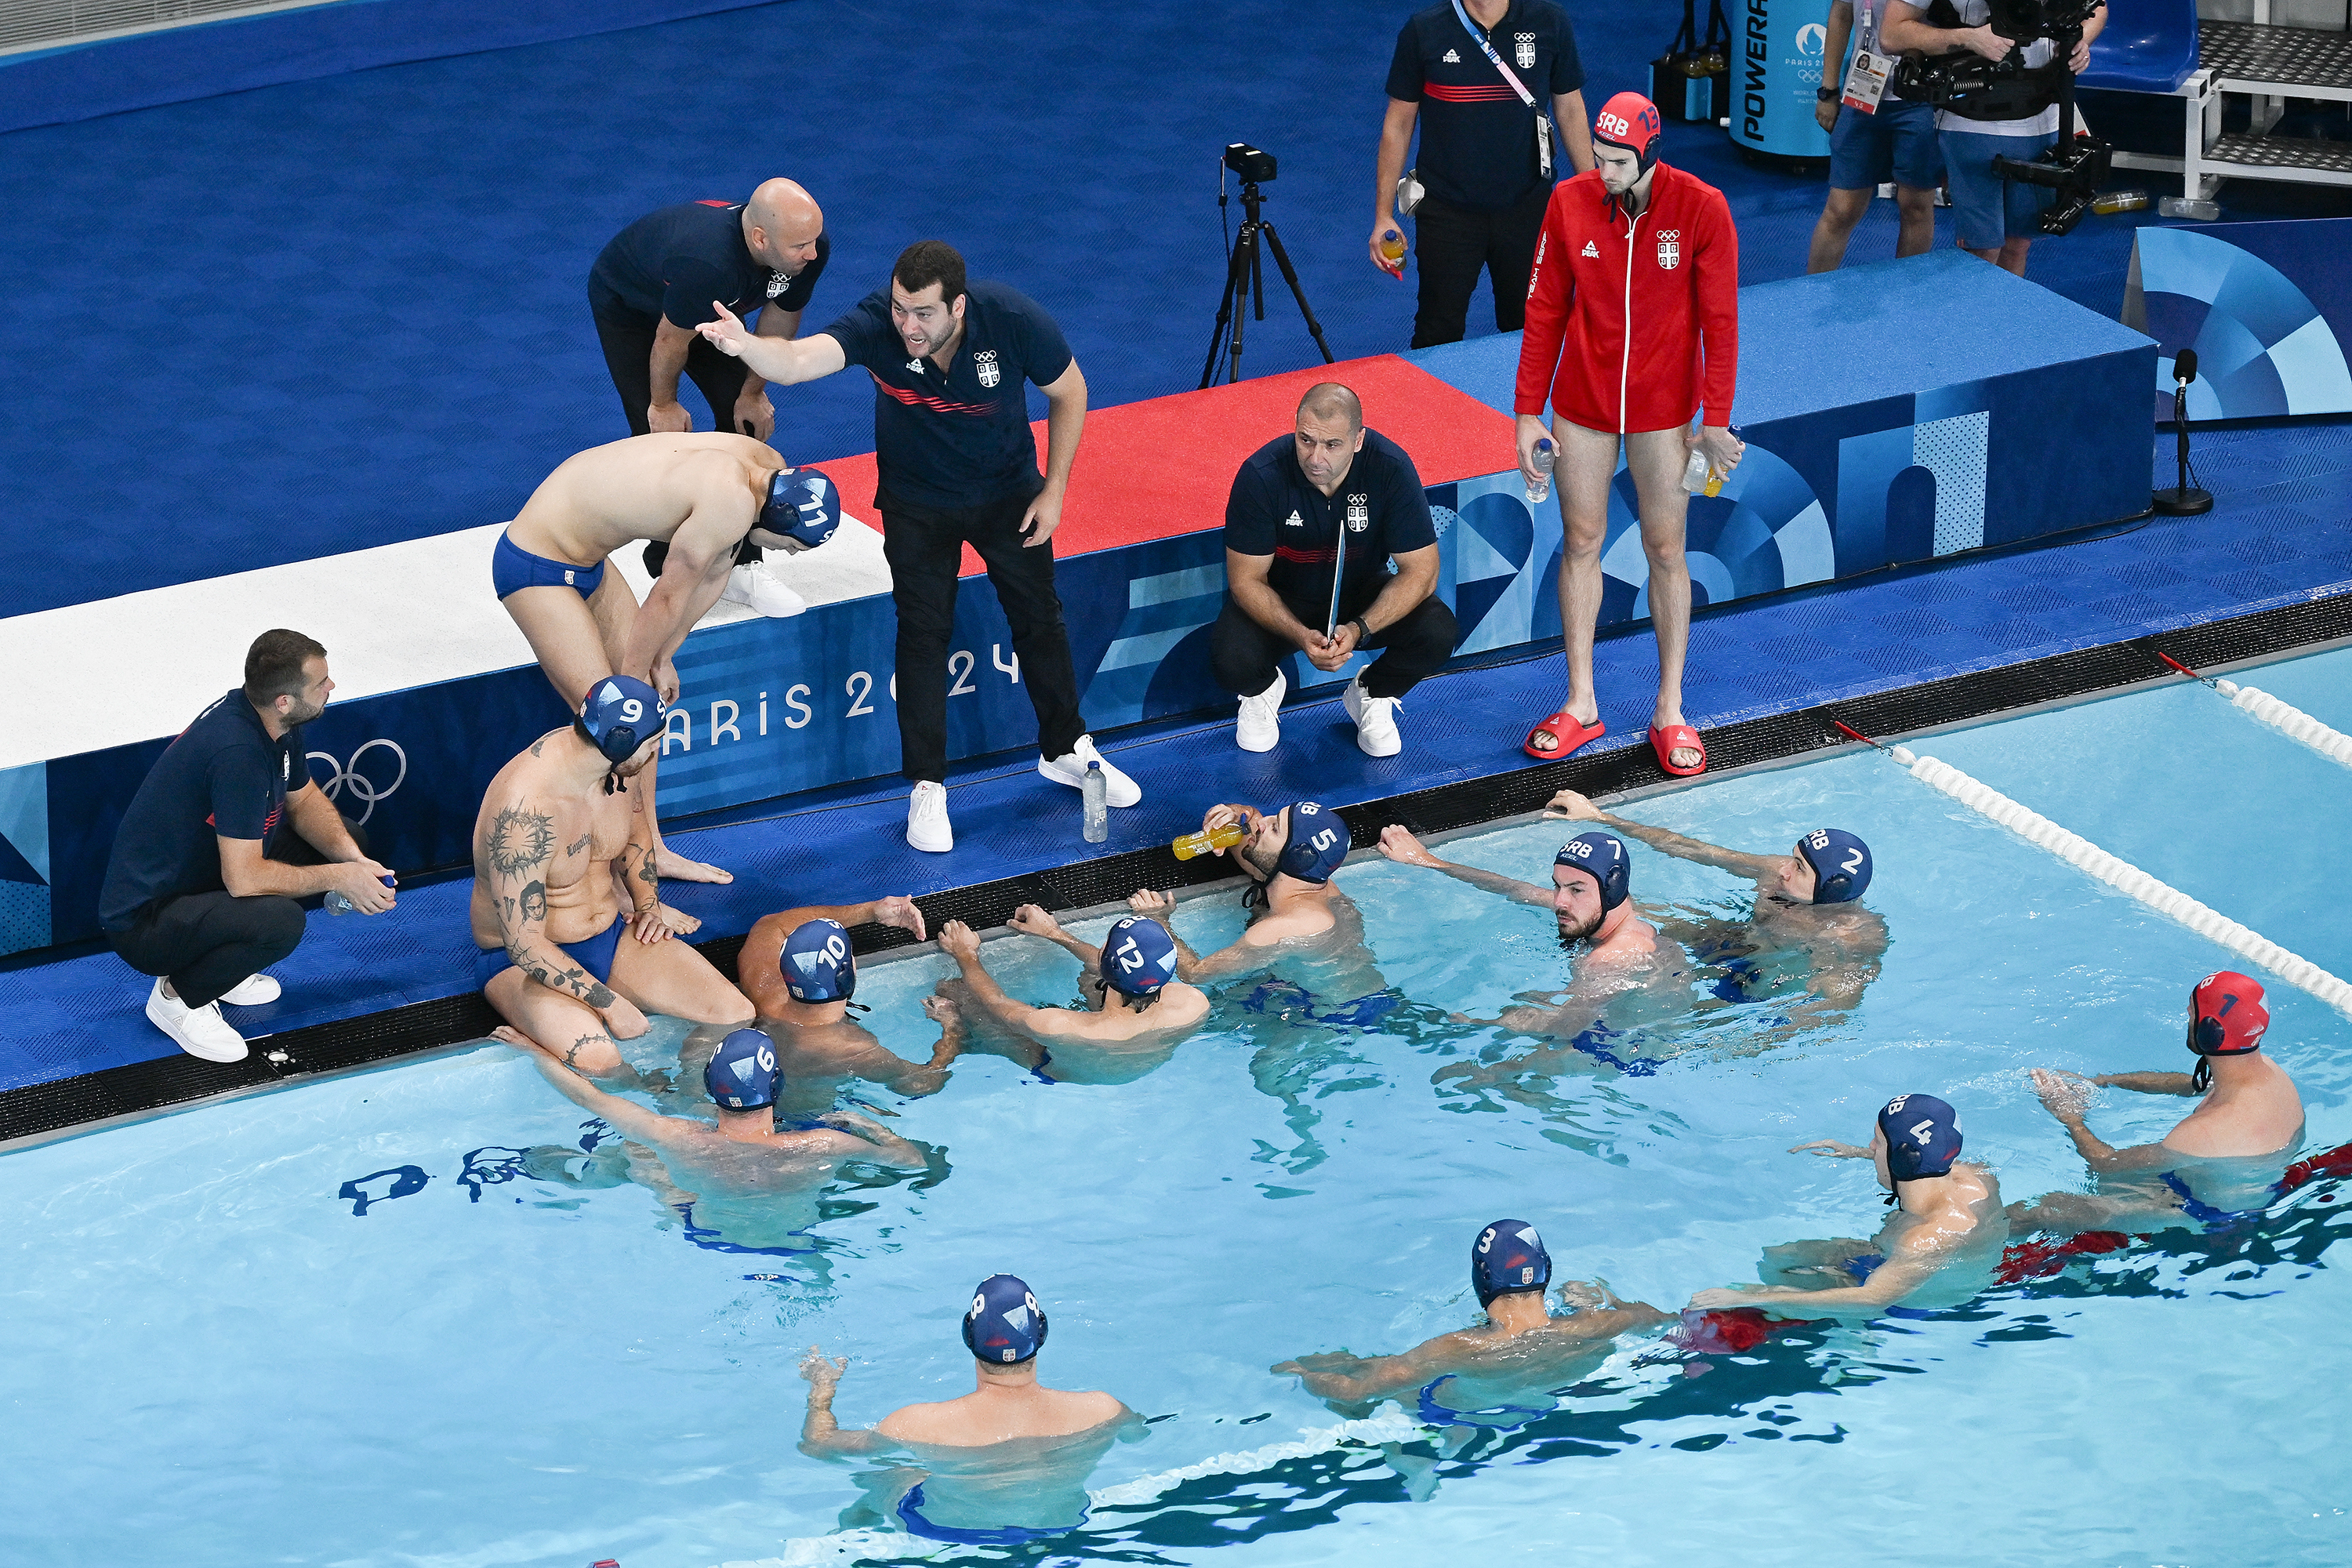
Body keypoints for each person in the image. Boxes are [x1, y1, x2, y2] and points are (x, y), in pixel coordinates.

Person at [694, 240, 1134, 854]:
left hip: (1008, 494)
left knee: (1041, 620)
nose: (908, 325)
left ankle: (1066, 749)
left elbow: (1071, 391)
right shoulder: (879, 325)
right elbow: (798, 360)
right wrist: (748, 347)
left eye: (923, 313)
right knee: (923, 636)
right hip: (917, 504)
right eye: (902, 308)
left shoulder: (1010, 320)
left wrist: (1055, 490)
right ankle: (927, 786)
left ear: (959, 306)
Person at [1514, 92, 1741, 777]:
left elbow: (1721, 322)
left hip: (1665, 412)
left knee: (1666, 548)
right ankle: (1581, 701)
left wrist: (1716, 418)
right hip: (1580, 406)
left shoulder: (1702, 208)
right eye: (1599, 157)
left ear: (1648, 155)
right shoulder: (1570, 202)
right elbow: (1544, 307)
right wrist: (1527, 411)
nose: (1603, 171)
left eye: (1617, 161)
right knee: (1581, 540)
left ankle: (1669, 707)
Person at [495, 432, 840, 881]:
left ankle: (648, 853)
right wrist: (636, 681)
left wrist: (664, 657)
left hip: (587, 559)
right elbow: (664, 600)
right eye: (789, 545)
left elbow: (716, 573)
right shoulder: (729, 504)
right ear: (780, 518)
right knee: (617, 728)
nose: (787, 554)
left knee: (645, 714)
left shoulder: (766, 467)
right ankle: (603, 880)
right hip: (535, 561)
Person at [99, 630, 397, 1062]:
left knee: (350, 838)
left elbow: (305, 799)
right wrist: (340, 878)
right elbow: (244, 879)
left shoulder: (272, 721)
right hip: (146, 920)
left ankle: (225, 967)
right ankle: (177, 999)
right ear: (285, 700)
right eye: (321, 683)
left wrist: (355, 862)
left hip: (200, 879)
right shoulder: (238, 754)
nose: (331, 687)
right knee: (279, 922)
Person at [469, 676, 754, 1078]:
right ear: (622, 743)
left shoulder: (618, 766)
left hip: (609, 937)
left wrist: (649, 905)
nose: (658, 750)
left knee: (734, 1015)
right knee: (599, 1062)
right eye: (653, 742)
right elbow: (524, 944)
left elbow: (635, 835)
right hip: (522, 962)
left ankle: (685, 1103)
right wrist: (611, 1004)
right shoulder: (524, 814)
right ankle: (539, 1051)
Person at [587, 179, 829, 616]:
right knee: (658, 437)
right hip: (632, 308)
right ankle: (668, 563)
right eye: (800, 246)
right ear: (760, 239)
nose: (812, 254)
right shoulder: (707, 261)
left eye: (813, 241)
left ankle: (743, 563)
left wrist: (753, 393)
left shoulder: (806, 246)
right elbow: (668, 341)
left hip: (707, 307)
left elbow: (776, 326)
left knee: (745, 422)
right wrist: (663, 405)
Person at [501, 1025, 929, 1253]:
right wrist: (878, 1130)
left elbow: (589, 1098)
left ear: (711, 1088)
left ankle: (575, 1176)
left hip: (705, 1229)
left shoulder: (677, 1136)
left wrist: (535, 1051)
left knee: (635, 1152)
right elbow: (913, 1163)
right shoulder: (824, 1144)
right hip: (797, 1237)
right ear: (777, 1087)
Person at [799, 1275, 1145, 1544]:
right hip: (1059, 1521)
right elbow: (1138, 1434)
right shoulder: (1103, 1409)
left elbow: (818, 1446)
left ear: (969, 1337)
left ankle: (854, 1530)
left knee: (883, 1474)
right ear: (1042, 1333)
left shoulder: (917, 1425)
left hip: (949, 1528)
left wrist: (821, 1389)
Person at [1214, 383, 1458, 758]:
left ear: (1358, 440)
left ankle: (1371, 693)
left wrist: (1362, 628)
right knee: (1230, 657)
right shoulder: (1261, 475)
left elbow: (1421, 572)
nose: (1315, 458)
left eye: (1332, 445)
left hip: (1361, 593)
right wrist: (1299, 634)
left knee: (1438, 630)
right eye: (1306, 440)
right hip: (1284, 597)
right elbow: (1245, 580)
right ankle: (1261, 692)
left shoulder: (1389, 468)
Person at [1274, 1220, 1668, 1437]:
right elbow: (1659, 1318)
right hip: (1541, 1405)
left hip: (1452, 1410)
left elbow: (1357, 1389)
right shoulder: (1601, 1323)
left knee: (1360, 1377)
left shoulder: (1460, 1347)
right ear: (1546, 1272)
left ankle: (1412, 1453)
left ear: (1482, 1280)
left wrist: (1306, 1374)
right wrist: (1599, 1302)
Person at [1543, 790, 1886, 1020]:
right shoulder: (1775, 874)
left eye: (1798, 868)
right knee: (1626, 914)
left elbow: (1837, 1004)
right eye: (1793, 857)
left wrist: (1765, 1039)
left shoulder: (1849, 936)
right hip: (1733, 939)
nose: (1782, 869)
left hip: (1763, 977)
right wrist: (1603, 819)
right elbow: (1694, 850)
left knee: (1672, 1019)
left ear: (1830, 892)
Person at [2010, 971, 2306, 1236]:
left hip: (2206, 1212)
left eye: (2192, 1015)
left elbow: (2107, 1163)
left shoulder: (2204, 1132)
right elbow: (2192, 1084)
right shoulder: (2268, 1070)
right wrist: (2103, 1081)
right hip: (2246, 1185)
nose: (2187, 1019)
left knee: (2047, 1208)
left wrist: (2068, 1115)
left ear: (2210, 1032)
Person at [1374, 0, 1593, 348]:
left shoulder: (1549, 23)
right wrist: (1383, 215)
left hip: (1528, 211)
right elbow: (1398, 124)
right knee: (1436, 335)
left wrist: (1592, 193)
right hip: (1447, 215)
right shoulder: (1424, 31)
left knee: (1532, 333)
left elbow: (1570, 110)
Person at [1690, 1093, 2006, 1317]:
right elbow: (1921, 1156)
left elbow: (1872, 1299)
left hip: (1919, 1300)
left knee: (1776, 1275)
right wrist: (1856, 1152)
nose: (1870, 1147)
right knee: (1782, 1256)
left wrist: (1744, 1298)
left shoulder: (1924, 1238)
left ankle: (1847, 1332)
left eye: (1877, 1143)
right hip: (1922, 1266)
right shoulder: (1975, 1177)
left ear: (1899, 1157)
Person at [1878, 1, 2105, 278]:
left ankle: (2001, 320)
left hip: (2042, 114)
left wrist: (2080, 41)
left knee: (2019, 243)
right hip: (1970, 119)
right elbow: (1891, 34)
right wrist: (1968, 38)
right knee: (1981, 249)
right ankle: (1971, 320)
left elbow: (2098, 8)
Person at [927, 911, 1210, 1085]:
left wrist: (965, 953)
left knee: (955, 990)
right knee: (1089, 979)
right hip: (1130, 1069)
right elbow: (1111, 968)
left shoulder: (1057, 1025)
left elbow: (997, 1002)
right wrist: (1056, 933)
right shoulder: (1191, 1003)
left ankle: (962, 1036)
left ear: (1106, 962)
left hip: (1052, 1066)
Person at [729, 900, 953, 1105]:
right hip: (812, 1120)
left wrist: (873, 911)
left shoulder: (763, 986)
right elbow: (922, 1084)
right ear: (846, 976)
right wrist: (952, 1027)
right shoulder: (855, 1050)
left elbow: (770, 926)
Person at [1806, 1, 1942, 272]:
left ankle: (1906, 299)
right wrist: (1829, 90)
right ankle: (1812, 293)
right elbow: (1842, 12)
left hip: (1923, 98)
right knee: (1841, 208)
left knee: (1916, 204)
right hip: (1862, 93)